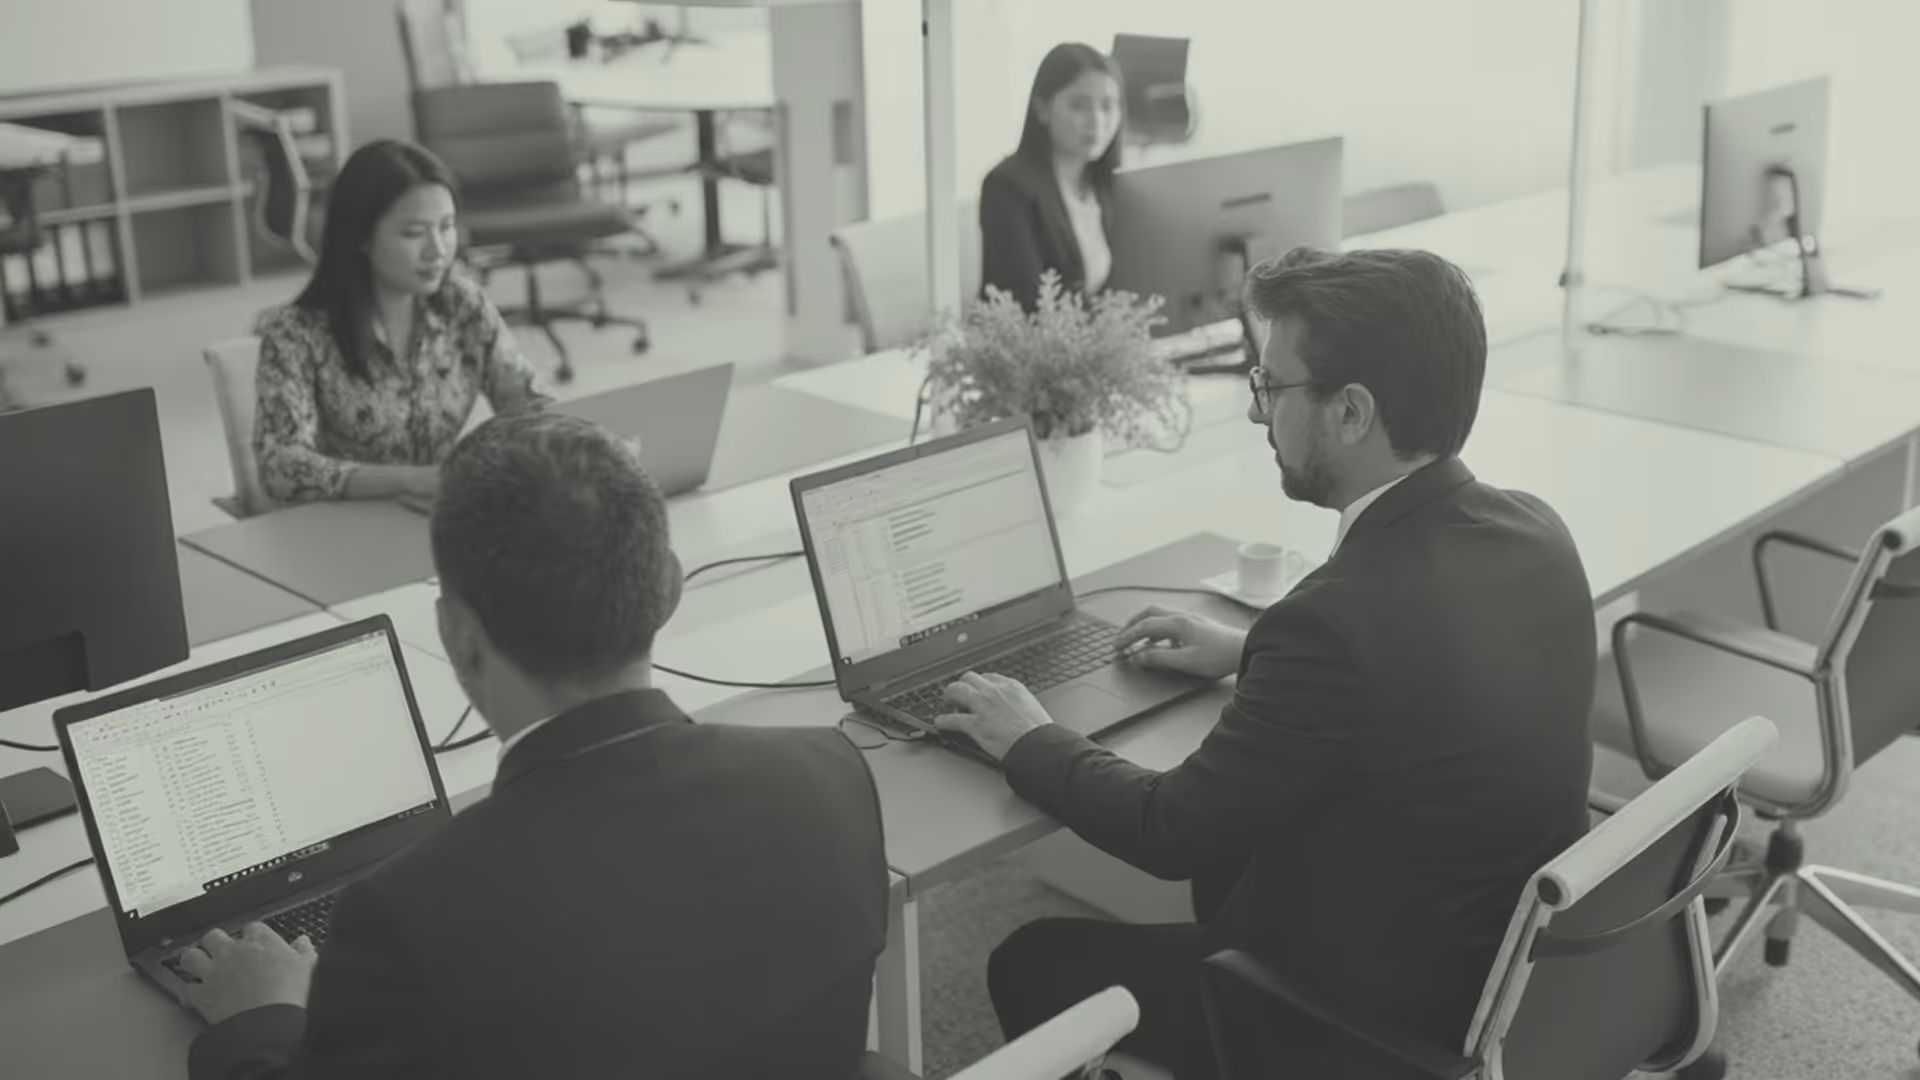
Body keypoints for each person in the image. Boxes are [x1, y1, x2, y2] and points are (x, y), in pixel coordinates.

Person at [936, 247, 1598, 1077]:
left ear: (1352, 412)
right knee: (1232, 859)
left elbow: (1167, 830)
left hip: (1370, 1020)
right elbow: (1431, 660)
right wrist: (1251, 648)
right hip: (1504, 968)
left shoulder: (1334, 622)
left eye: (1270, 387)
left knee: (1030, 960)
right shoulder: (1536, 531)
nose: (1257, 416)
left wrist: (1027, 734)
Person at [179, 412, 893, 1079]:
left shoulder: (409, 913)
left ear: (457, 635)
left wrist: (259, 1018)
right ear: (669, 590)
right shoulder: (830, 774)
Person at [252, 139, 551, 507]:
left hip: (439, 514)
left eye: (446, 226)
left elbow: (525, 400)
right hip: (342, 526)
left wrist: (581, 446)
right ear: (361, 235)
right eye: (414, 233)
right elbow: (280, 466)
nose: (438, 250)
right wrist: (413, 481)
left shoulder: (463, 304)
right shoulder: (295, 333)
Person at [978, 43, 1126, 310]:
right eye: (1079, 106)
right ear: (1042, 109)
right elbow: (1027, 304)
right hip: (1036, 349)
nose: (1097, 121)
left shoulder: (1103, 184)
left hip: (1099, 345)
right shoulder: (1007, 188)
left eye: (1108, 106)